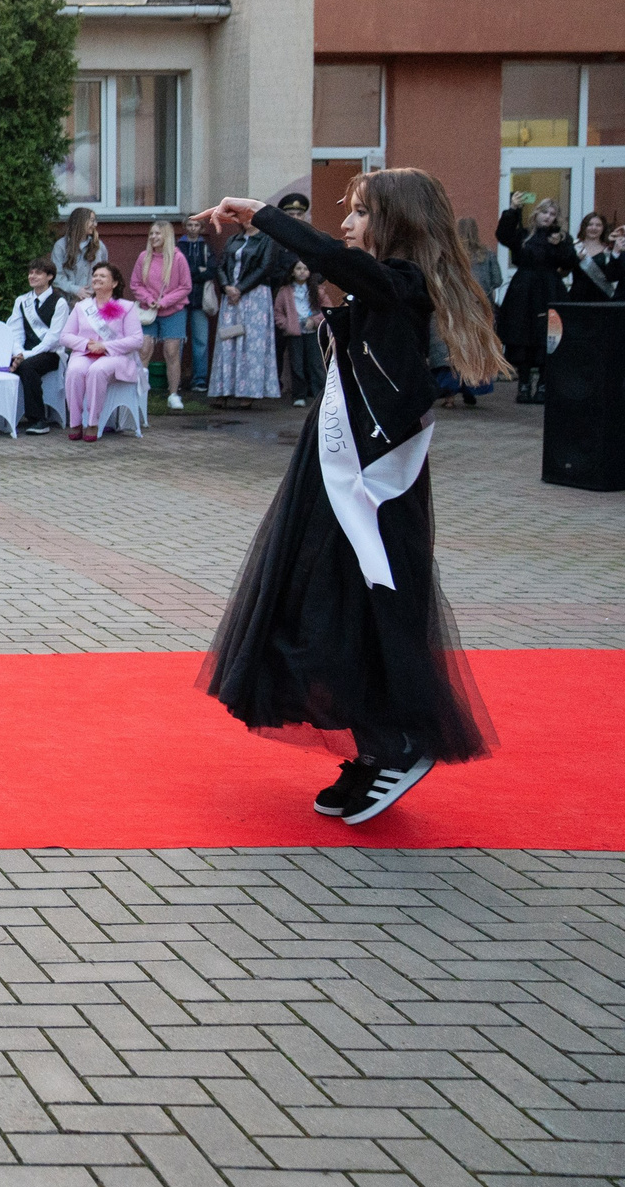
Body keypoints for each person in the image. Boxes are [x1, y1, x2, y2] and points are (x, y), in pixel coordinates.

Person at [198, 169, 503, 825]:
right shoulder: (381, 288)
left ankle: (402, 741)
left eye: (360, 212)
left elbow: (335, 260)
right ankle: (372, 745)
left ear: (394, 221)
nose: (347, 223)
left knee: (374, 608)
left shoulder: (400, 285)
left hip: (374, 486)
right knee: (329, 608)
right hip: (333, 476)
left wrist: (261, 215)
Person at [495, 193, 573, 405]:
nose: (548, 217)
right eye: (545, 212)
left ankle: (544, 385)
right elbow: (503, 235)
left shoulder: (561, 237)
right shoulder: (524, 235)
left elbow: (570, 262)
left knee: (548, 337)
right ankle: (524, 384)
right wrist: (512, 210)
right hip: (524, 291)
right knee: (523, 336)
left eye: (553, 214)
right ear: (536, 213)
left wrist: (559, 245)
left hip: (550, 289)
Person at [209, 200, 284, 407]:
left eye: (252, 217)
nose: (248, 221)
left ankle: (248, 392)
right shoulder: (234, 239)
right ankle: (223, 389)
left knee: (251, 343)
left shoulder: (266, 240)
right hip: (231, 296)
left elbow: (265, 267)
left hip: (255, 296)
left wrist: (240, 288)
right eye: (245, 217)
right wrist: (226, 287)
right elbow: (221, 265)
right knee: (228, 339)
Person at [59, 262, 143, 441]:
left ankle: (93, 422)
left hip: (116, 356)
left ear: (114, 283)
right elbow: (65, 336)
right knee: (74, 371)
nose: (97, 278)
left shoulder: (125, 307)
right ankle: (75, 422)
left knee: (97, 370)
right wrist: (86, 344)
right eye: (95, 275)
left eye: (102, 276)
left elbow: (137, 340)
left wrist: (105, 346)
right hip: (85, 353)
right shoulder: (82, 307)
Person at [129, 219, 192, 412]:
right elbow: (135, 284)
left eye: (158, 233)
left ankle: (173, 394)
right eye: (151, 234)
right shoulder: (143, 257)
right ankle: (139, 393)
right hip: (148, 312)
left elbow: (185, 286)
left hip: (173, 310)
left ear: (167, 236)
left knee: (172, 352)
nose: (154, 237)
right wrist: (149, 299)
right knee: (144, 349)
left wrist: (164, 301)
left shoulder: (178, 258)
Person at [7, 256, 71, 435]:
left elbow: (54, 338)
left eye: (38, 273)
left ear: (49, 276)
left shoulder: (60, 302)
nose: (32, 276)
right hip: (24, 351)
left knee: (28, 367)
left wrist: (25, 356)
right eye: (30, 272)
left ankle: (38, 420)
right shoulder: (22, 301)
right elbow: (15, 331)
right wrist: (18, 352)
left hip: (50, 353)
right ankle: (3, 415)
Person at [177, 219, 221, 396]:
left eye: (196, 225)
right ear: (185, 227)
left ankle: (200, 379)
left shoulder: (206, 246)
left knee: (201, 340)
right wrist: (197, 271)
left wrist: (191, 273)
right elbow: (177, 272)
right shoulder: (179, 246)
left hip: (201, 299)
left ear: (201, 228)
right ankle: (176, 378)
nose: (193, 228)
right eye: (190, 225)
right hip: (179, 298)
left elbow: (212, 271)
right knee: (177, 340)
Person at [274, 258, 326, 406]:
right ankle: (299, 395)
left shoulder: (317, 290)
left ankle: (320, 394)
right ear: (292, 272)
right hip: (294, 332)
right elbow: (278, 312)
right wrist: (287, 325)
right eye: (298, 268)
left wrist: (315, 321)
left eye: (305, 268)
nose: (302, 272)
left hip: (312, 331)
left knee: (316, 363)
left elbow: (327, 309)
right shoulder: (285, 291)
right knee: (296, 364)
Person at [51, 206, 107, 303]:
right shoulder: (61, 246)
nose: (95, 224)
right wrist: (75, 289)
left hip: (93, 301)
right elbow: (56, 276)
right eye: (92, 221)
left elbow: (105, 271)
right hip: (67, 302)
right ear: (81, 222)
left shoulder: (98, 246)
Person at [566, 212, 618, 302]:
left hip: (603, 298)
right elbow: (563, 271)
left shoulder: (609, 250)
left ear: (603, 228)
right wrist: (576, 259)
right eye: (590, 225)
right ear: (584, 227)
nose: (594, 228)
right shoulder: (574, 247)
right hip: (577, 298)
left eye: (598, 225)